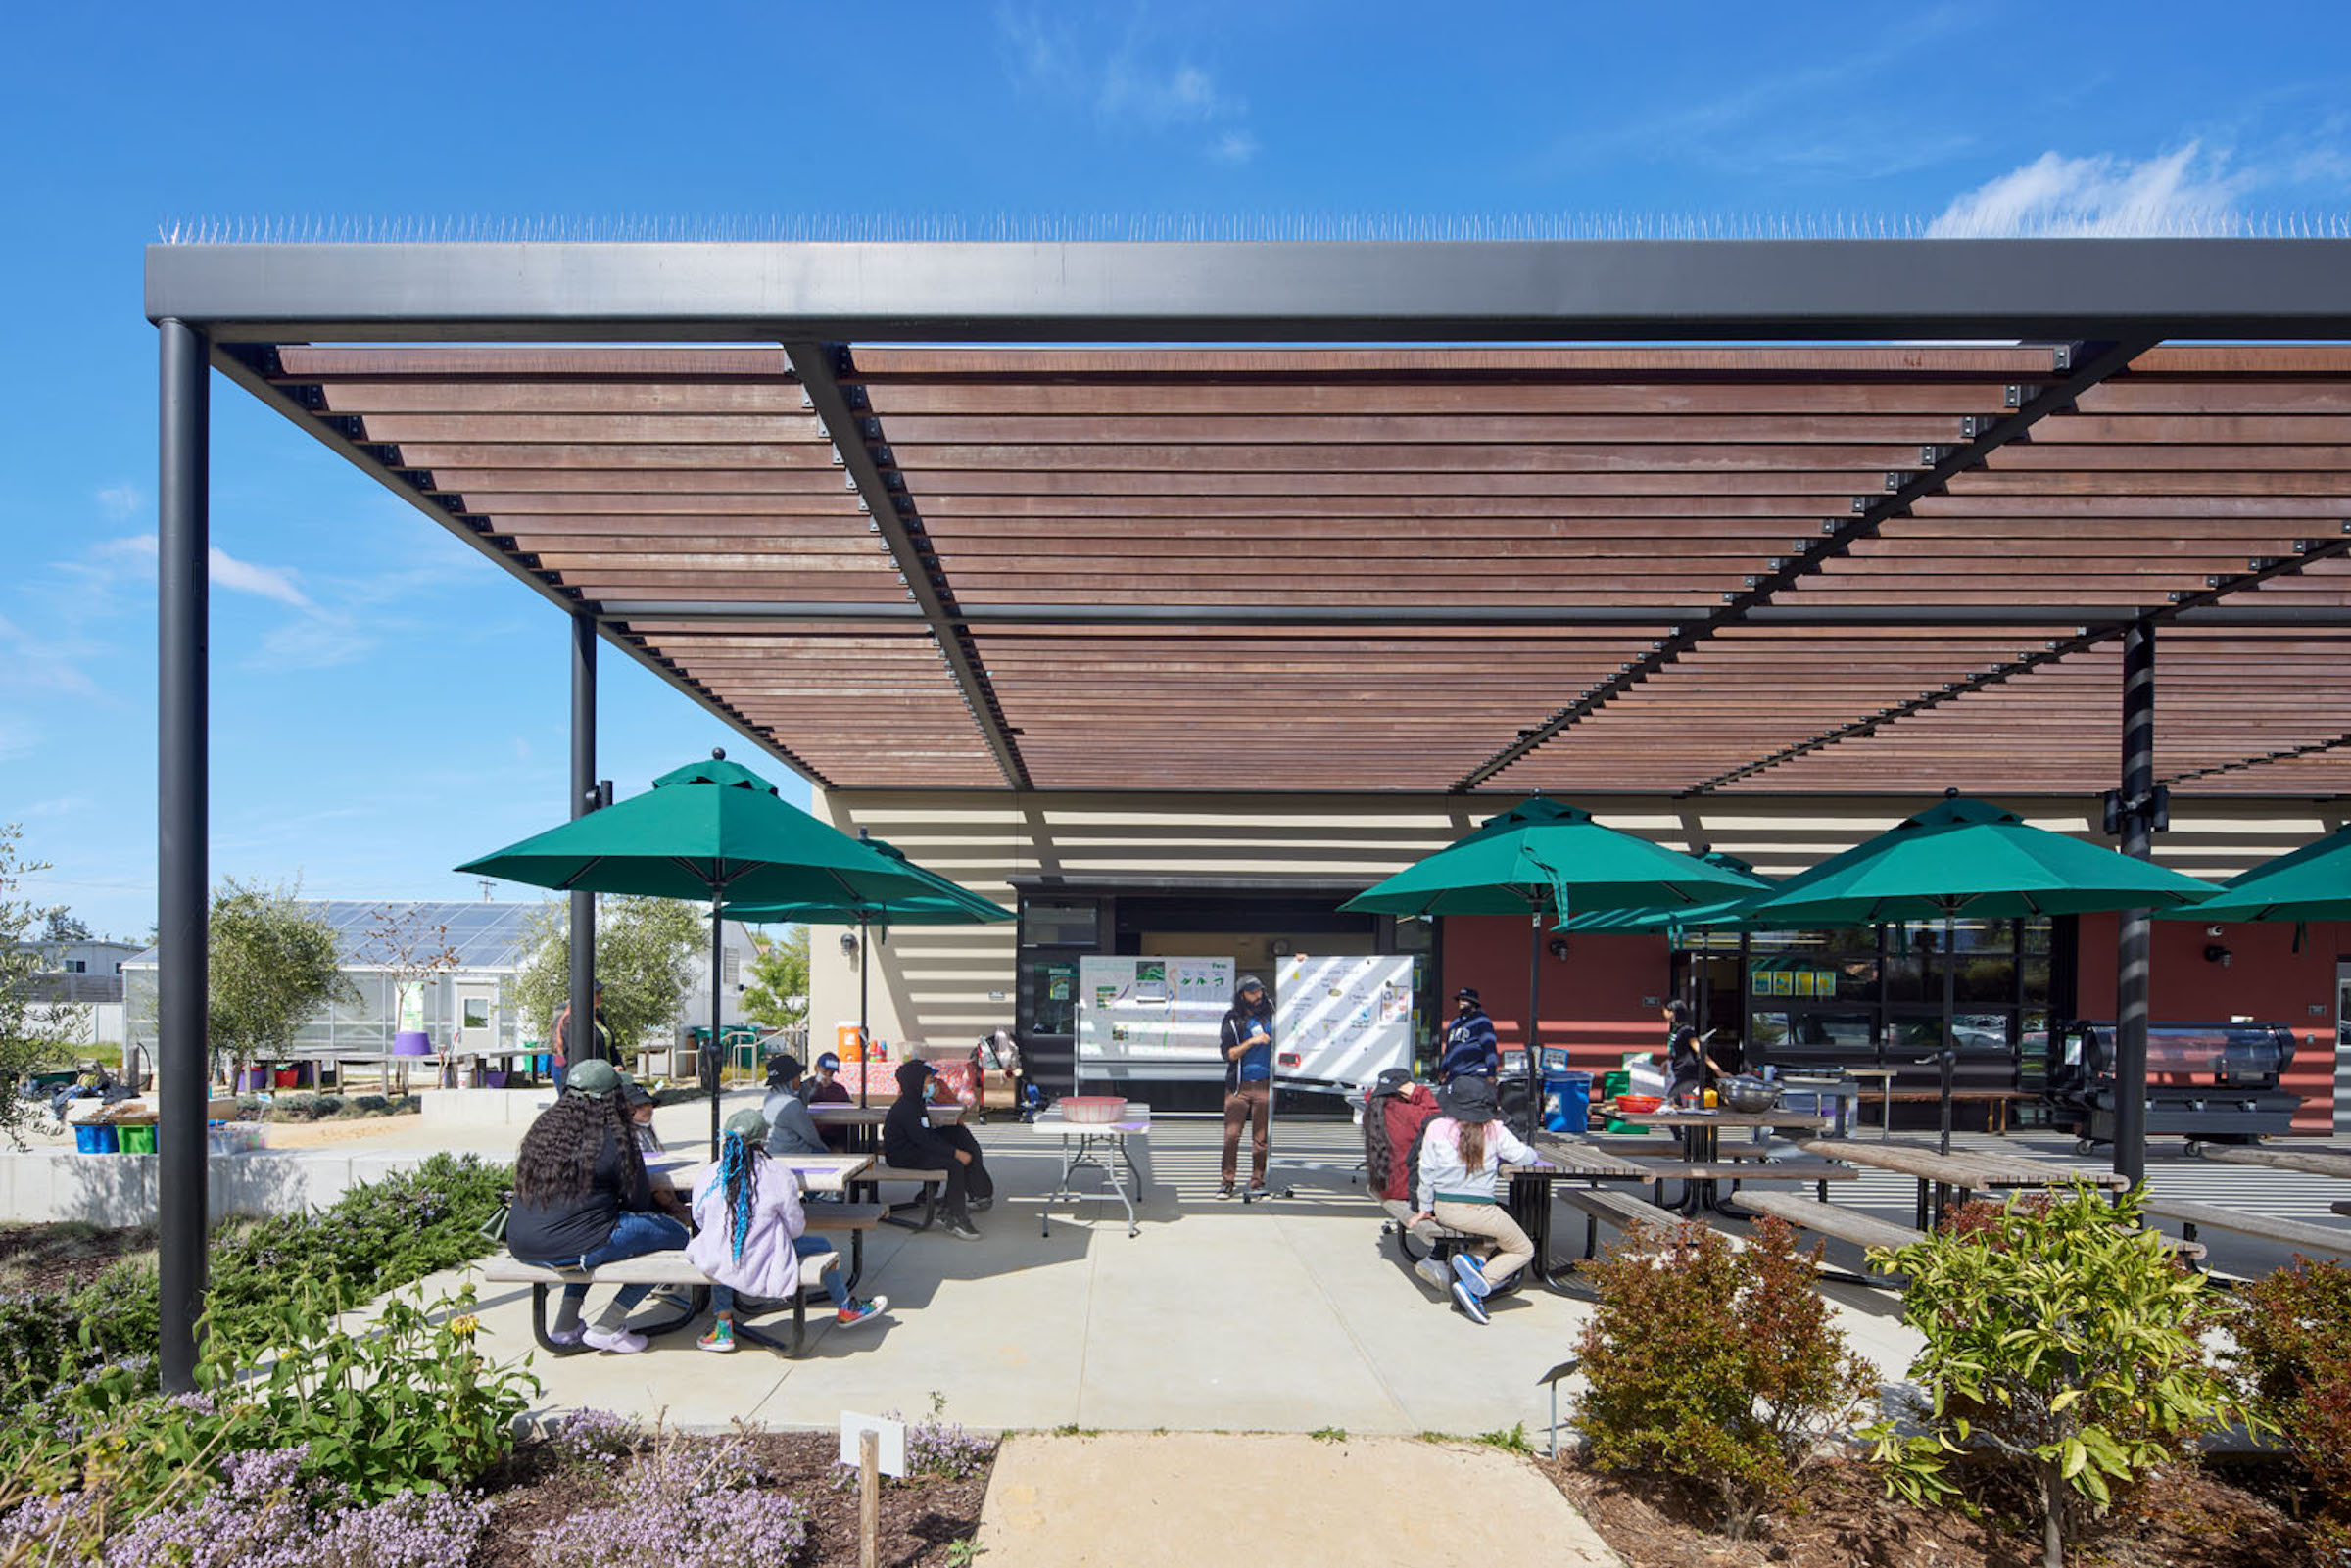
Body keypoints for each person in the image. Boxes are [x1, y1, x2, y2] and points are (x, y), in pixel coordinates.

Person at [504, 1060, 689, 1354]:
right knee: (677, 1236)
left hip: (522, 1243)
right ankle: (609, 1325)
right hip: (572, 1247)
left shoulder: (544, 1130)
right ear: (614, 1097)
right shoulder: (615, 1136)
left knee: (589, 1231)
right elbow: (638, 1203)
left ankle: (566, 1324)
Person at [685, 1108, 887, 1352]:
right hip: (765, 1257)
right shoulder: (777, 1173)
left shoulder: (709, 1174)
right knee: (822, 1246)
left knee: (723, 1250)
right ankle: (845, 1306)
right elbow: (795, 1226)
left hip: (718, 1258)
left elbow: (699, 1217)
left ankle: (723, 1326)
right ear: (763, 1139)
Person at [1410, 1075, 1543, 1325]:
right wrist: (1534, 1152)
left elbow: (1425, 1172)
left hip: (1445, 1208)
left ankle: (1472, 1260)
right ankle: (1481, 1283)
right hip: (1479, 1210)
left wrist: (1425, 1208)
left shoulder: (1436, 1127)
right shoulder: (1494, 1129)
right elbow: (1523, 1157)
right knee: (1523, 1248)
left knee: (1495, 1234)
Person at [882, 1058, 993, 1241]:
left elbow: (926, 1136)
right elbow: (924, 1140)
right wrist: (955, 1153)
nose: (933, 1084)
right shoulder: (907, 1108)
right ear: (917, 1083)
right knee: (954, 1164)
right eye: (929, 1081)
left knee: (957, 1136)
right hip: (903, 1156)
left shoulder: (916, 1102)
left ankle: (957, 1203)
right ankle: (955, 1216)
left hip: (914, 1148)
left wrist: (955, 1147)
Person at [1218, 974, 1275, 1199]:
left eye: (1260, 991)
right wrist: (1251, 1042)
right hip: (1238, 1087)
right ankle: (1227, 1181)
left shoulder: (1271, 1013)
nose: (1258, 996)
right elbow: (1229, 1054)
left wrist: (1300, 965)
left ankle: (1257, 1181)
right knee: (1232, 1136)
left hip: (1265, 1084)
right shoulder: (1232, 1019)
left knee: (1260, 1139)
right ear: (1242, 995)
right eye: (1252, 992)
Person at [760, 1053, 830, 1158]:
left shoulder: (770, 1097)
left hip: (773, 1149)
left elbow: (805, 1088)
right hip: (792, 1152)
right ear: (789, 1081)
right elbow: (811, 1137)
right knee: (826, 1151)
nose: (800, 1079)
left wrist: (814, 1081)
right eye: (798, 1076)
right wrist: (827, 1151)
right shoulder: (792, 1104)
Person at [551, 981, 611, 1091]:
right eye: (596, 993)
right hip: (573, 1073)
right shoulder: (568, 1018)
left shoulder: (598, 1014)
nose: (600, 997)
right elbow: (559, 1051)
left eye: (600, 993)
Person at [1436, 986, 1501, 1083]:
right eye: (1459, 1000)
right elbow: (1449, 1051)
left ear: (1473, 1002)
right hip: (1454, 1076)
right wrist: (1443, 1071)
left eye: (1464, 1000)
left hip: (1474, 1074)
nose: (1460, 1002)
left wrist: (1491, 1074)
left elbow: (1489, 1048)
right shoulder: (1454, 1024)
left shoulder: (1482, 1021)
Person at [620, 1075, 663, 1155]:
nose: (646, 1109)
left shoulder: (646, 1129)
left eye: (649, 1104)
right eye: (639, 1106)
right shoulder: (626, 1136)